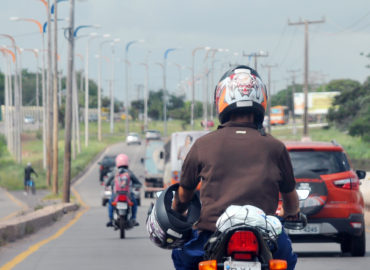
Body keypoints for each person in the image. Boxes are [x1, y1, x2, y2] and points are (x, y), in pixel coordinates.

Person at [171, 65, 300, 270]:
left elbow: (184, 196)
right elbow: (291, 201)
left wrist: (177, 212)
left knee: (181, 257)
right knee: (288, 261)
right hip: (266, 236)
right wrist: (290, 212)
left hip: (210, 234)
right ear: (261, 100)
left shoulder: (203, 144)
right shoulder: (275, 147)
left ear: (222, 99)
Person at [105, 154, 142, 227]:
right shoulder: (129, 173)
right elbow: (138, 184)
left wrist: (109, 185)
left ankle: (111, 219)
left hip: (116, 194)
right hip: (128, 195)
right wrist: (134, 186)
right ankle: (133, 218)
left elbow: (107, 183)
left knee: (110, 203)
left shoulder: (114, 172)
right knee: (134, 203)